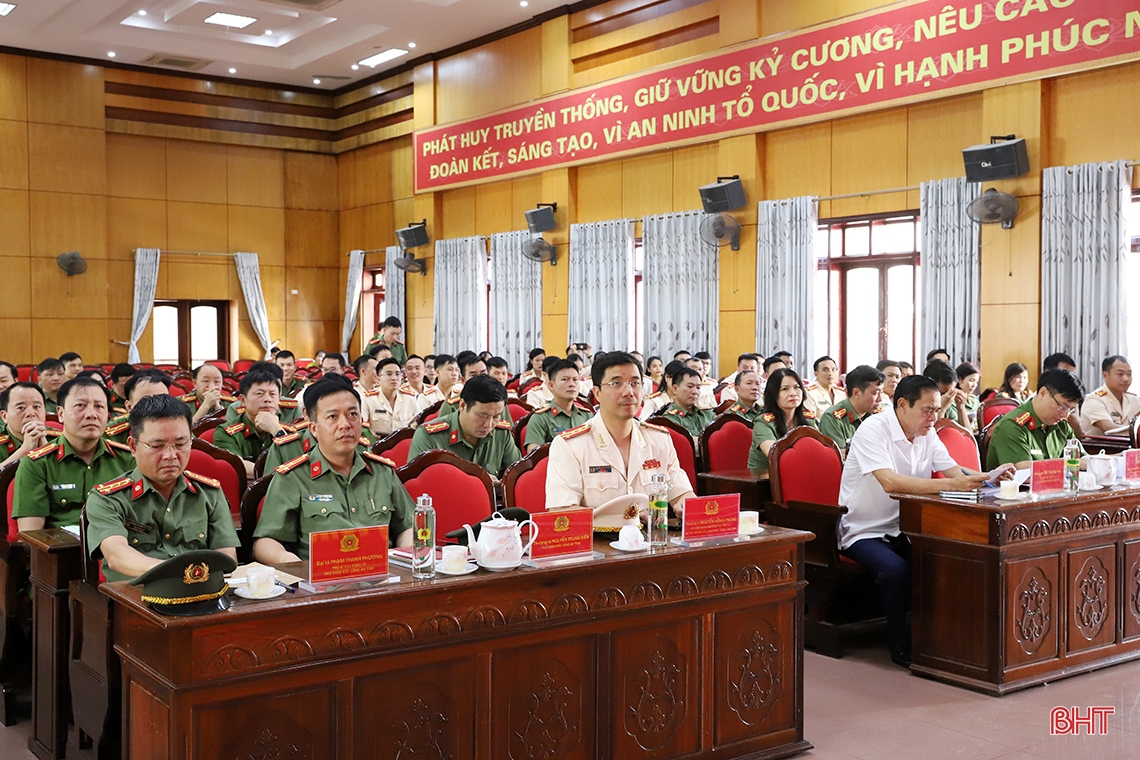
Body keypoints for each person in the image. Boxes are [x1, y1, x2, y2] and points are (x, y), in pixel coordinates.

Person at [839, 375, 1010, 667]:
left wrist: (986, 478)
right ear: (903, 405)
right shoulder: (874, 429)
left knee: (942, 560)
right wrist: (950, 486)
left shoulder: (927, 432)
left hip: (906, 526)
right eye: (928, 410)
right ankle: (900, 643)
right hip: (863, 530)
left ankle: (939, 638)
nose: (935, 416)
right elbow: (891, 483)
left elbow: (955, 473)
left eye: (937, 410)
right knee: (895, 570)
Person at [253, 379, 415, 563]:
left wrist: (404, 555)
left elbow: (409, 526)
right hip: (321, 583)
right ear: (314, 428)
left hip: (383, 580)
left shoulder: (382, 472)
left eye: (352, 414)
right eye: (332, 417)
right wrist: (298, 568)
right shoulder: (293, 477)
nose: (345, 424)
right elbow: (266, 542)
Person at [85, 395, 239, 582]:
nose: (170, 455)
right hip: (135, 599)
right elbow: (117, 556)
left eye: (181, 444)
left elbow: (226, 558)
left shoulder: (209, 493)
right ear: (133, 446)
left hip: (200, 595)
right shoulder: (107, 499)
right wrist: (179, 573)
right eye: (157, 446)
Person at [546, 351, 694, 510]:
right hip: (599, 536)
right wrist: (626, 519)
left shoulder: (659, 439)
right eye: (616, 383)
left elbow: (682, 493)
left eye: (635, 383)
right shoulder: (570, 446)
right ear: (598, 393)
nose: (629, 392)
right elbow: (561, 510)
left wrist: (687, 508)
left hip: (651, 534)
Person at [12, 377, 135, 531]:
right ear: (61, 413)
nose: (91, 414)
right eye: (80, 406)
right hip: (62, 551)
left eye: (99, 406)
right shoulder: (37, 463)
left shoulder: (128, 458)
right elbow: (31, 536)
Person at [407, 375, 520, 478]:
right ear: (462, 406)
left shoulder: (501, 433)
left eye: (496, 417)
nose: (489, 425)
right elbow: (417, 485)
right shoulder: (429, 436)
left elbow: (517, 476)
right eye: (483, 416)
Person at [986, 368, 1086, 469]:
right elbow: (1024, 471)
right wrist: (1069, 463)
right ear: (1043, 393)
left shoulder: (1061, 425)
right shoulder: (1012, 425)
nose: (1065, 415)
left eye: (1070, 410)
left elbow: (1083, 459)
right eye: (1062, 407)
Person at [212, 369, 290, 478]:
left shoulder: (288, 431)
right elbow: (237, 467)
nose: (268, 399)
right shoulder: (226, 432)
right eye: (259, 394)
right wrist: (283, 473)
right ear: (243, 400)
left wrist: (277, 430)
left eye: (272, 394)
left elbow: (298, 466)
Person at [748, 368, 818, 471]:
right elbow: (776, 455)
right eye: (785, 389)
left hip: (800, 474)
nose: (793, 393)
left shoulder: (808, 419)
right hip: (765, 480)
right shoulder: (763, 423)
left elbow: (821, 449)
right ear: (773, 394)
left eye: (797, 387)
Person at [524, 359, 594, 452]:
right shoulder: (540, 418)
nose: (572, 384)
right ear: (551, 385)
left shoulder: (587, 416)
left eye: (575, 379)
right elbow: (534, 457)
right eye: (565, 379)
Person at [819, 365, 883, 452]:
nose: (880, 399)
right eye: (875, 393)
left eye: (881, 393)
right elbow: (840, 458)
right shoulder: (833, 418)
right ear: (856, 393)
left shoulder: (879, 416)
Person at [105, 370, 174, 444]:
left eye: (162, 400)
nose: (155, 407)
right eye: (146, 401)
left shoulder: (182, 427)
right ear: (129, 406)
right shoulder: (110, 436)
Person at [1077, 355, 1138, 435]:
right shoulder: (1094, 399)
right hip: (1099, 446)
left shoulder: (1132, 399)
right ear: (1105, 375)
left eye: (1129, 374)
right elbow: (1108, 428)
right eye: (1120, 374)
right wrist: (1136, 431)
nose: (1126, 379)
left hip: (1128, 445)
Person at [362, 357, 419, 436]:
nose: (394, 378)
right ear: (378, 378)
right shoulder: (367, 399)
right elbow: (363, 429)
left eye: (397, 374)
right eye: (389, 374)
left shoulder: (410, 398)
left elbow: (418, 424)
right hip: (377, 446)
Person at [0, 382, 52, 467]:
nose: (31, 413)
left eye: (36, 407)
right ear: (5, 416)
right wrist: (25, 449)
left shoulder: (60, 438)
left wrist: (46, 448)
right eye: (21, 408)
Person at [657, 366, 714, 439]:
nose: (695, 392)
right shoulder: (670, 419)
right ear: (675, 389)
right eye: (690, 386)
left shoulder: (708, 414)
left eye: (698, 387)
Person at [922, 360, 968, 424]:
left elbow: (968, 433)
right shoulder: (922, 407)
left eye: (951, 392)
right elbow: (935, 432)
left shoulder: (952, 404)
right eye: (942, 393)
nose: (948, 397)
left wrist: (961, 408)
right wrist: (941, 409)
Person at [954, 362, 982, 430]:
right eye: (971, 380)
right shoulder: (950, 401)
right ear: (960, 379)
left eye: (976, 382)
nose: (974, 385)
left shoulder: (975, 400)